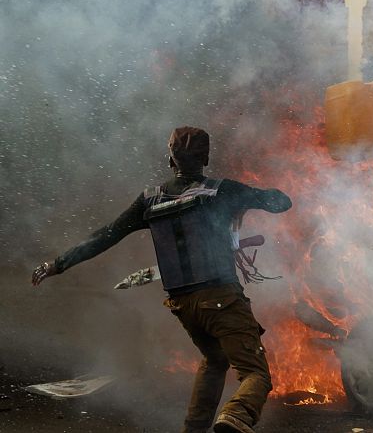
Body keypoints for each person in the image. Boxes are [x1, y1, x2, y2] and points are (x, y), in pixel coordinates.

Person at [31, 126, 292, 433]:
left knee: (215, 359)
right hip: (221, 297)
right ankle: (237, 415)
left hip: (184, 306)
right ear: (206, 158)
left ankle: (194, 429)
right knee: (256, 374)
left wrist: (58, 264)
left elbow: (106, 235)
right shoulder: (221, 191)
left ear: (171, 159)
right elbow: (281, 203)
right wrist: (251, 197)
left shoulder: (149, 200)